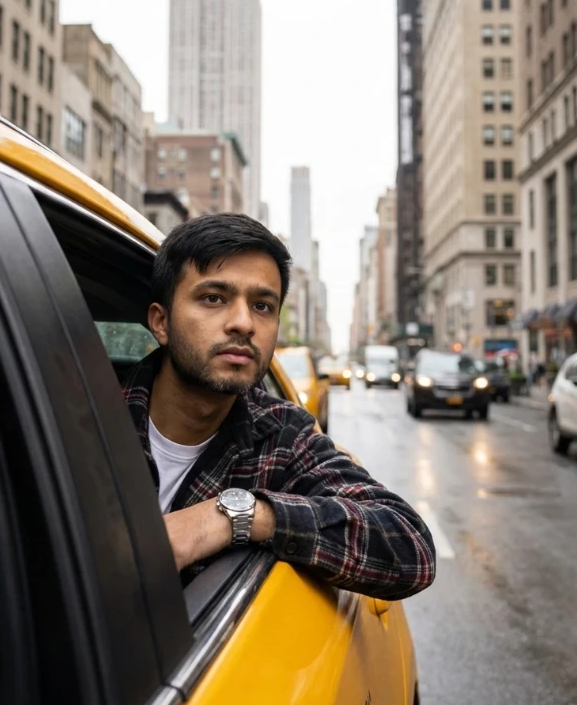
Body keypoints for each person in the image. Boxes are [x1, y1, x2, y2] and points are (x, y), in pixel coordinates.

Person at [123, 213, 435, 601]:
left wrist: (236, 515)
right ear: (161, 322)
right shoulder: (78, 418)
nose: (243, 323)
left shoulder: (282, 436)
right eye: (213, 298)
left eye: (263, 306)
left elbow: (410, 549)